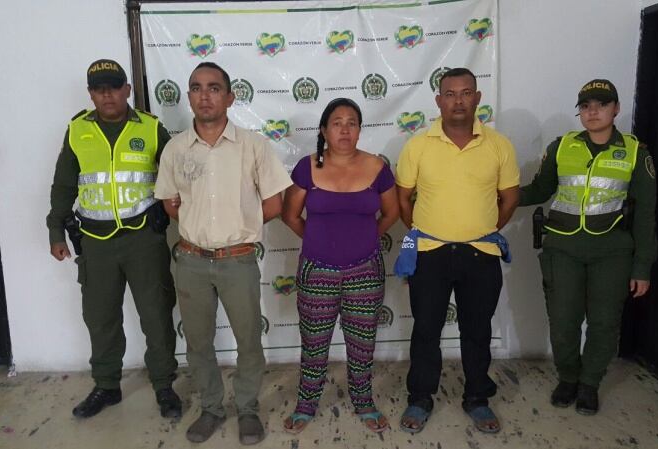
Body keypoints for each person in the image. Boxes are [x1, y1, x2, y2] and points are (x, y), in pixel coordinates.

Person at [154, 62, 291, 445]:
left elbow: (274, 204)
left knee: (248, 340)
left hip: (238, 260)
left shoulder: (253, 146)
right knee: (198, 342)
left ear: (230, 97)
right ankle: (212, 408)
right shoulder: (175, 149)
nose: (205, 95)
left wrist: (236, 226)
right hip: (191, 261)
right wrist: (200, 227)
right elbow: (170, 203)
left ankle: (247, 409)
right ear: (188, 96)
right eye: (197, 88)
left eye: (214, 88)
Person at [46, 59, 181, 419]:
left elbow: (177, 177)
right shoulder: (77, 131)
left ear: (127, 90)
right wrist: (56, 231)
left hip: (144, 239)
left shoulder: (151, 128)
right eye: (99, 89)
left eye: (113, 87)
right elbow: (63, 185)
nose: (107, 95)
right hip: (95, 241)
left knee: (156, 314)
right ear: (91, 94)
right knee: (100, 317)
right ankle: (106, 386)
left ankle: (164, 385)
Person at [520, 79, 657, 415]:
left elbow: (646, 214)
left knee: (604, 323)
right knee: (563, 321)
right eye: (586, 106)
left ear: (616, 109)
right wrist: (494, 195)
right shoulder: (562, 147)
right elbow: (539, 190)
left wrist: (642, 267)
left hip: (612, 251)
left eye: (601, 104)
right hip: (563, 247)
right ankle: (568, 378)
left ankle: (590, 383)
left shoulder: (635, 153)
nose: (593, 111)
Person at [395, 68, 520, 434]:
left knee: (477, 330)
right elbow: (403, 198)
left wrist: (483, 230)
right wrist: (428, 232)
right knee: (426, 330)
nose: (458, 101)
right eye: (450, 94)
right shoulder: (418, 145)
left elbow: (510, 198)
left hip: (481, 254)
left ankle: (477, 398)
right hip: (429, 253)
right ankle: (420, 397)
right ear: (439, 101)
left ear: (477, 98)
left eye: (466, 93)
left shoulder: (499, 145)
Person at [280, 98, 399, 434]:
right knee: (314, 343)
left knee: (362, 343)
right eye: (337, 123)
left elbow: (391, 213)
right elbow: (290, 215)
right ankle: (306, 404)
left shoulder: (377, 167)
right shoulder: (307, 168)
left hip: (366, 271)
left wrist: (366, 238)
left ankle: (364, 402)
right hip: (317, 270)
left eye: (352, 123)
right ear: (324, 130)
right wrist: (318, 240)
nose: (345, 129)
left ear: (360, 129)